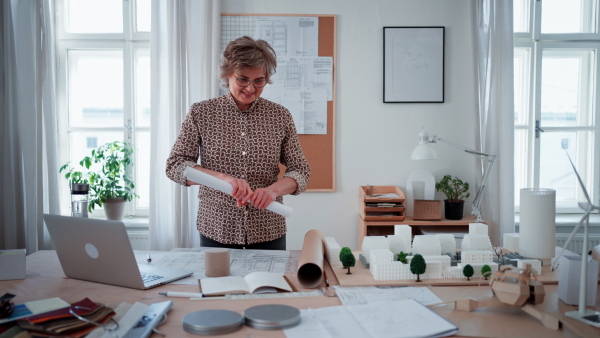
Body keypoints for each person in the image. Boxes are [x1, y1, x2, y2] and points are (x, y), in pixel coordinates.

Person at [166, 36, 310, 250]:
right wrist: (222, 178)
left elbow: (301, 171)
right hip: (217, 227)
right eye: (243, 79)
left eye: (259, 81)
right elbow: (175, 165)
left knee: (269, 285)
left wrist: (273, 191)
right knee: (220, 284)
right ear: (228, 75)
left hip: (267, 228)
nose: (251, 88)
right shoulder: (202, 112)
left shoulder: (280, 116)